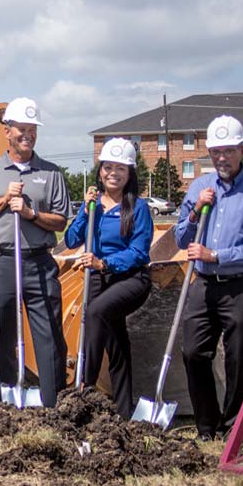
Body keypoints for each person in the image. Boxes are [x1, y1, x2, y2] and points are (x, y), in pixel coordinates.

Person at [174, 115, 243, 440]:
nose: (221, 158)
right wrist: (193, 212)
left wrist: (216, 256)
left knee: (237, 359)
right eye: (216, 151)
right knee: (192, 352)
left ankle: (233, 427)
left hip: (242, 287)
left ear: (242, 150)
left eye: (228, 151)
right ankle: (208, 425)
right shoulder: (198, 187)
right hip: (203, 285)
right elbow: (180, 238)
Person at [0, 97, 70, 407]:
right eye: (21, 129)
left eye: (33, 129)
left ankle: (53, 401)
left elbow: (61, 219)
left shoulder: (51, 173)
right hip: (1, 261)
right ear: (7, 132)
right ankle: (9, 399)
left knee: (49, 332)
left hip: (38, 261)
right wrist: (2, 202)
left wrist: (30, 213)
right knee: (2, 333)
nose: (28, 135)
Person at [64, 138, 154, 419]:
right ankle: (124, 410)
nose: (113, 173)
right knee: (116, 343)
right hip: (98, 278)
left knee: (95, 312)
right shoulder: (93, 206)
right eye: (108, 167)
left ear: (130, 174)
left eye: (121, 169)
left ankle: (85, 390)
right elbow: (70, 239)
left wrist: (104, 263)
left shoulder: (137, 208)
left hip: (130, 279)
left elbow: (139, 252)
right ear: (100, 170)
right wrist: (85, 211)